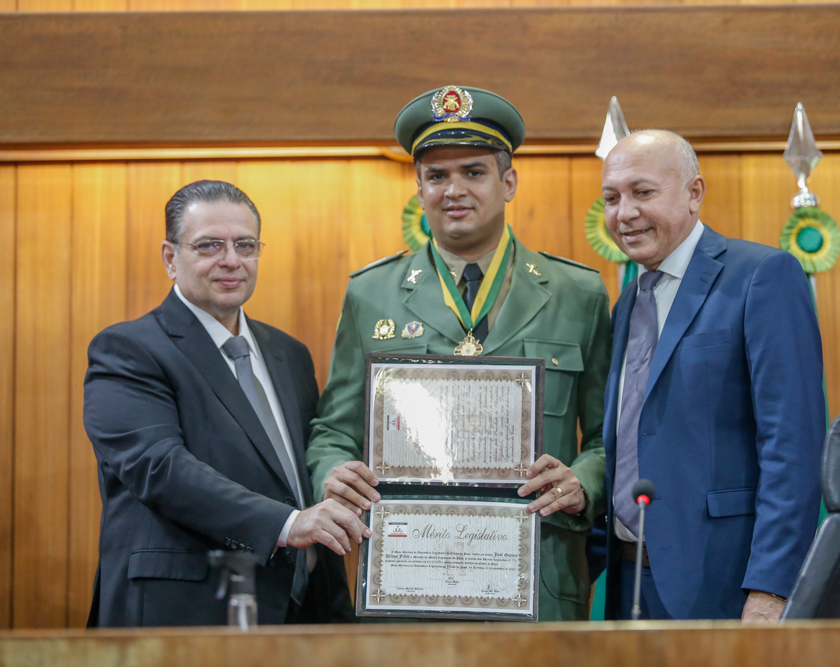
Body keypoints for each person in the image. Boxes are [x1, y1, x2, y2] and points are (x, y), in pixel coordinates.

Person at [306, 86, 612, 621]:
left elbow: (613, 437)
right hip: (409, 580)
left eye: (473, 172)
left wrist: (583, 483)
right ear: (419, 188)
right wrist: (331, 472)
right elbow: (333, 430)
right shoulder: (370, 293)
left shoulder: (577, 293)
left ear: (508, 182)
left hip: (539, 578)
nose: (454, 190)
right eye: (437, 176)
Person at [84, 180, 365, 627]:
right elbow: (159, 468)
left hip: (302, 612)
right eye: (209, 245)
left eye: (245, 245)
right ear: (170, 257)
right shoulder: (129, 349)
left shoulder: (288, 354)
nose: (231, 260)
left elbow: (299, 467)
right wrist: (287, 524)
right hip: (187, 612)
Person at [599, 131, 824, 622]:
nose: (625, 213)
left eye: (643, 192)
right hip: (630, 582)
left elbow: (792, 446)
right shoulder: (628, 302)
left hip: (725, 585)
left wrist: (771, 588)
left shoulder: (762, 276)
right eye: (611, 198)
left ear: (694, 193)